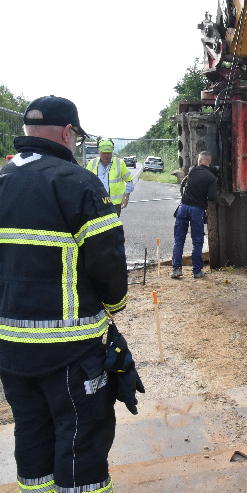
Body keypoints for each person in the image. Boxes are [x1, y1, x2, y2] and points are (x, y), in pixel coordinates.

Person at [0, 96, 143, 493]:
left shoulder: (2, 179)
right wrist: (115, 304)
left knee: (31, 434)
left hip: (10, 347)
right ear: (68, 133)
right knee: (82, 436)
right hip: (69, 347)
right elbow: (107, 259)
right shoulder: (77, 182)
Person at [171, 150, 217, 279]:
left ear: (200, 161)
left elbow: (187, 180)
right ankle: (197, 271)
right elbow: (213, 197)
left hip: (183, 207)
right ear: (209, 162)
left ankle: (176, 270)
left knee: (179, 240)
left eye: (198, 159)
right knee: (197, 241)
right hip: (197, 210)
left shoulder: (192, 171)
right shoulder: (211, 178)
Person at [86, 138, 135, 215]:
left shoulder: (120, 163)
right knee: (98, 226)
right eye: (104, 153)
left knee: (113, 227)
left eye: (109, 153)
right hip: (96, 204)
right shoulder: (92, 164)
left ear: (112, 152)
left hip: (114, 205)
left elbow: (129, 181)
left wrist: (126, 197)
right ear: (99, 152)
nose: (106, 155)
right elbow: (85, 183)